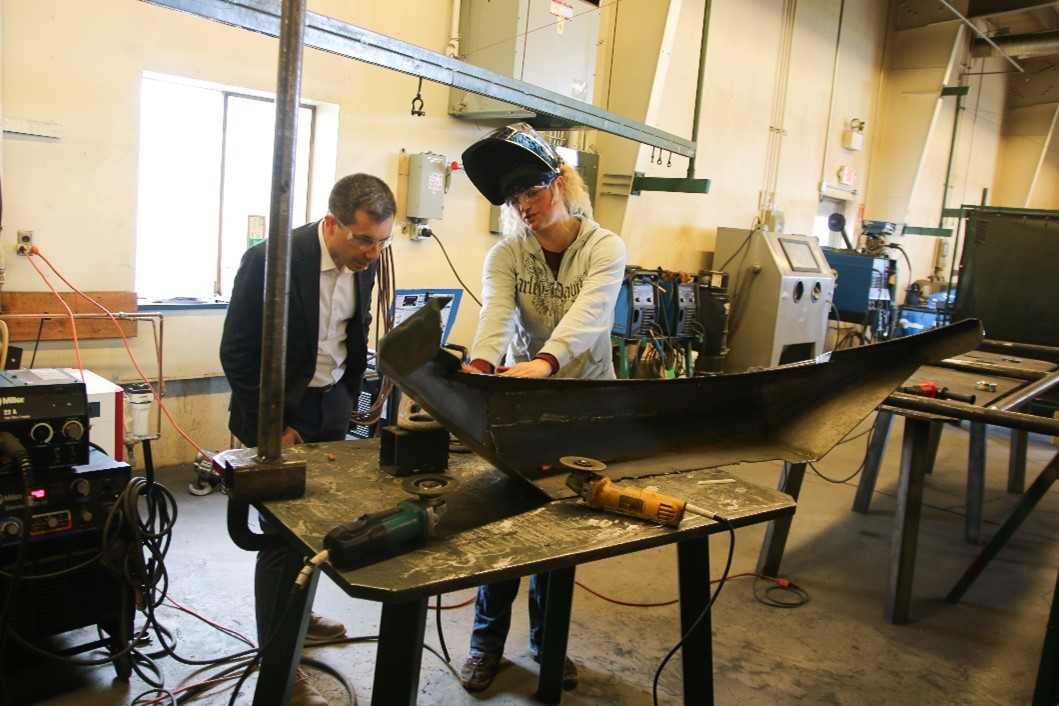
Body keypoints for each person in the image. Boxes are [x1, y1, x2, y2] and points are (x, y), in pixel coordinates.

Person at [456, 122, 628, 692]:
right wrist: (481, 368)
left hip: (582, 404)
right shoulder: (507, 255)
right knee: (505, 526)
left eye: (532, 190)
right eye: (513, 198)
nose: (524, 206)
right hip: (523, 400)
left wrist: (546, 362)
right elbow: (496, 317)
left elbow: (591, 316)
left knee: (562, 534)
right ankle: (485, 646)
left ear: (559, 183)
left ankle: (545, 643)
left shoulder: (605, 247)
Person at [219, 173, 396, 706]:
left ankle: (301, 611)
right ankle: (282, 662)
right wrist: (273, 424)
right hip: (278, 415)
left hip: (330, 408)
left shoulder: (363, 266)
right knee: (279, 539)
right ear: (331, 223)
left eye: (383, 242)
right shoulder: (272, 260)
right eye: (364, 240)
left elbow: (353, 333)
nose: (372, 253)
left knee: (318, 525)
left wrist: (346, 395)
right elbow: (238, 351)